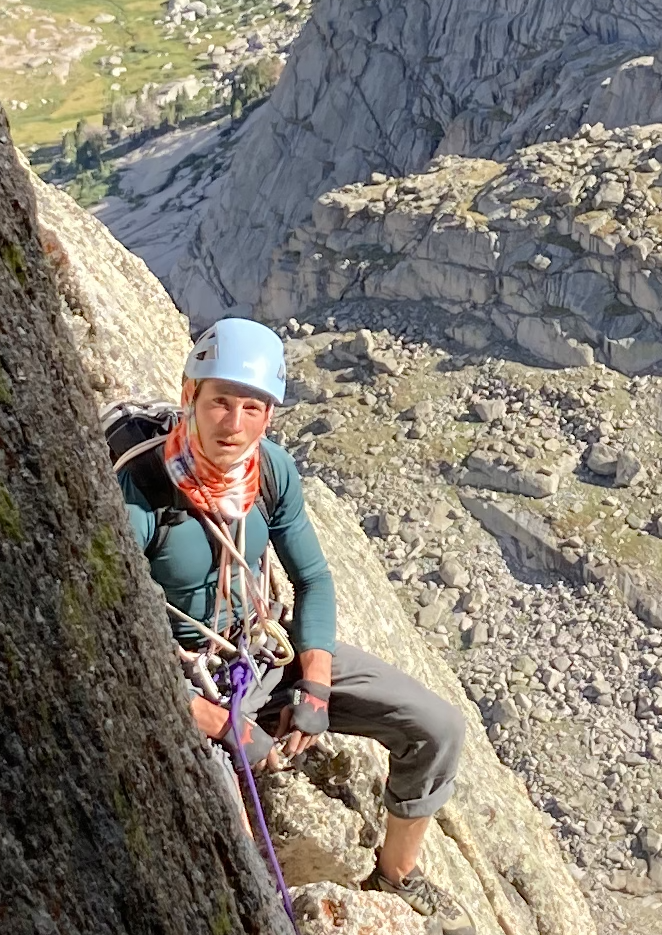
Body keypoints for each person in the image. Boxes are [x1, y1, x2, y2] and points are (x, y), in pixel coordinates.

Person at [111, 315, 466, 898]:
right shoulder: (141, 491)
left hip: (258, 650)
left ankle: (397, 876)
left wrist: (316, 685)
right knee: (234, 847)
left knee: (437, 727)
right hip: (178, 676)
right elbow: (113, 642)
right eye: (221, 403)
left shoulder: (269, 470)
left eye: (253, 409)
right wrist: (224, 726)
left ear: (270, 415)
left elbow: (315, 578)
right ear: (189, 396)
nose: (234, 425)